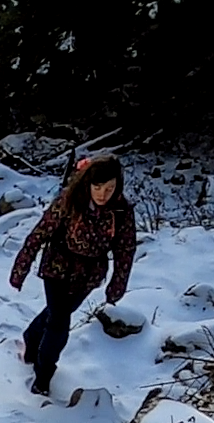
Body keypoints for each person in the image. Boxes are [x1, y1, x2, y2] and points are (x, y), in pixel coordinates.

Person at [8, 153, 136, 398]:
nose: (102, 194)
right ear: (87, 183)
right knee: (59, 321)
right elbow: (39, 233)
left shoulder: (121, 211)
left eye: (109, 188)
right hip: (57, 265)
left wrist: (117, 284)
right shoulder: (69, 200)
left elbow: (125, 249)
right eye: (97, 187)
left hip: (88, 275)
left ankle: (31, 338)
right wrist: (21, 268)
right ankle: (43, 375)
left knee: (56, 313)